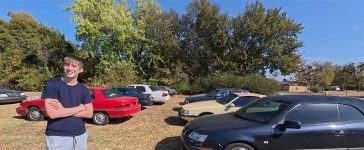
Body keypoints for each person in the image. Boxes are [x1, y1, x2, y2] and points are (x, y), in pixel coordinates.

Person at [41, 55, 93, 150]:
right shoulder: (52, 85)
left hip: (80, 137)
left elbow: (89, 114)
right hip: (58, 137)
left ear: (80, 69)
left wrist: (63, 110)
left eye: (74, 66)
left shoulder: (84, 89)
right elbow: (53, 114)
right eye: (67, 65)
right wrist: (79, 108)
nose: (69, 68)